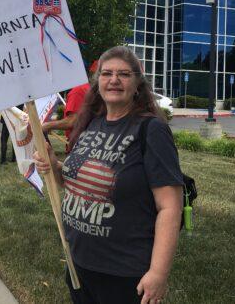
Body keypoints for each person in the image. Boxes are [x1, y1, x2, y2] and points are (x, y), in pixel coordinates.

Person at [34, 46, 183, 304]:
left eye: (124, 74)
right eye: (107, 74)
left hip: (124, 273)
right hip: (79, 264)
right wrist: (55, 165)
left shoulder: (151, 129)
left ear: (137, 83)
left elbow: (170, 206)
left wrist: (158, 272)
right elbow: (74, 183)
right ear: (98, 82)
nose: (114, 80)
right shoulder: (90, 123)